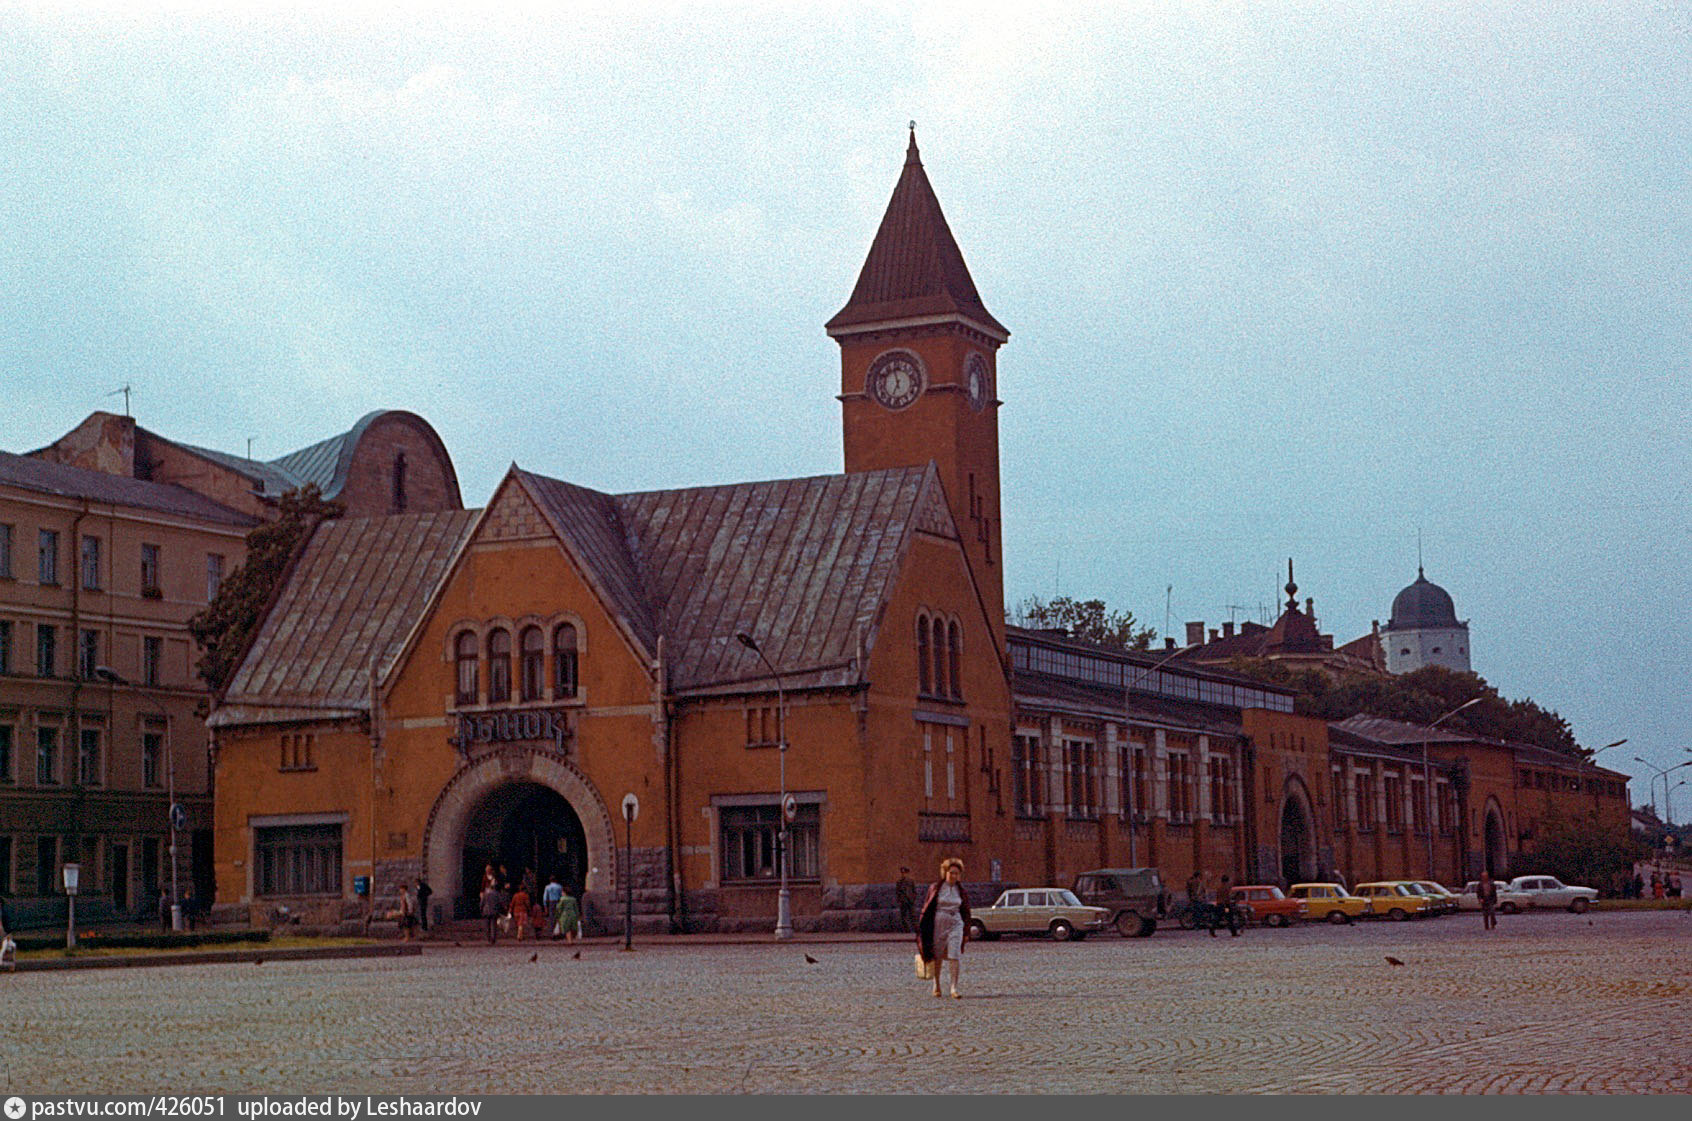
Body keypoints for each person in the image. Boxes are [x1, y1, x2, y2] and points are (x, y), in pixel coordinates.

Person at [916, 857, 972, 1000]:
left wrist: (966, 931)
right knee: (937, 954)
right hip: (939, 922)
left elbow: (966, 911)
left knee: (955, 954)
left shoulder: (961, 890)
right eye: (951, 872)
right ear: (945, 872)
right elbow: (927, 907)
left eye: (956, 873)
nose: (954, 876)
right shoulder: (936, 888)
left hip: (956, 922)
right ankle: (937, 984)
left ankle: (954, 987)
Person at [895, 867, 918, 933]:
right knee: (904, 916)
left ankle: (916, 929)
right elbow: (897, 892)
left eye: (904, 873)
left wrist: (913, 898)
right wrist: (899, 900)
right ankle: (906, 930)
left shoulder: (911, 881)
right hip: (903, 901)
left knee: (913, 915)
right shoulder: (899, 882)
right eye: (902, 873)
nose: (903, 874)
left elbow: (914, 891)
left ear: (907, 873)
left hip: (910, 900)